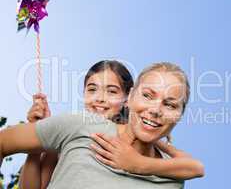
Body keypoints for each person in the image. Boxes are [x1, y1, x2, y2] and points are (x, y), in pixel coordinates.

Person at [17, 61, 204, 189]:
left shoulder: (144, 137)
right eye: (92, 90)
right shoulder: (74, 135)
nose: (99, 98)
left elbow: (195, 168)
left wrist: (138, 162)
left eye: (111, 91)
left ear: (127, 98)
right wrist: (37, 139)